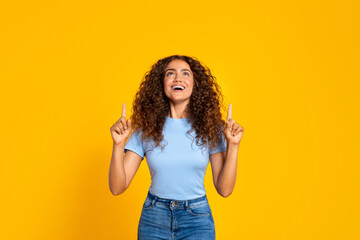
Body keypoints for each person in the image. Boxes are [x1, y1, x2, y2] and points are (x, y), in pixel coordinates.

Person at [109, 55, 244, 239]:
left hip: (196, 220)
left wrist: (233, 145)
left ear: (195, 84)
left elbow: (224, 189)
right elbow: (117, 187)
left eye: (185, 74)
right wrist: (118, 145)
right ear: (161, 84)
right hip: (154, 218)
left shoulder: (211, 127)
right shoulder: (146, 128)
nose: (178, 78)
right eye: (170, 74)